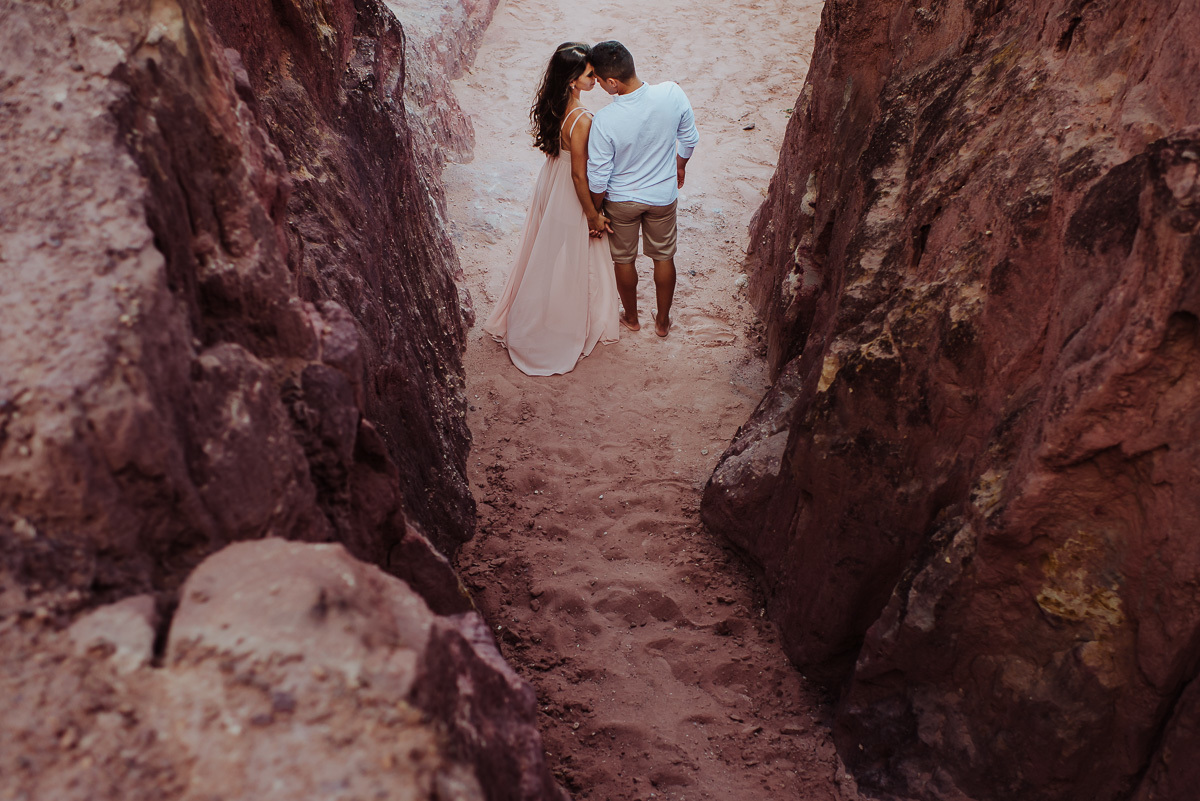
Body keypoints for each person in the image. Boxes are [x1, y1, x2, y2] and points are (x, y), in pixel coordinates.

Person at [482, 43, 621, 376]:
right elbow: (579, 173)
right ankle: (551, 323)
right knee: (571, 255)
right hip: (568, 193)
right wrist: (592, 214)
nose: (595, 78)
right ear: (572, 80)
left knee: (545, 253)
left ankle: (539, 311)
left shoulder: (556, 105)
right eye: (589, 74)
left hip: (550, 182)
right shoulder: (583, 119)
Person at [587, 40, 699, 337]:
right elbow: (689, 138)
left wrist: (595, 209)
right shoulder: (672, 93)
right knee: (663, 256)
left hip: (622, 201)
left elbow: (598, 176)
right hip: (662, 196)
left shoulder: (605, 120)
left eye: (598, 80)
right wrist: (680, 166)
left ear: (612, 82)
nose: (597, 85)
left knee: (623, 259)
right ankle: (662, 323)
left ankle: (632, 317)